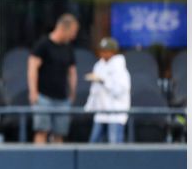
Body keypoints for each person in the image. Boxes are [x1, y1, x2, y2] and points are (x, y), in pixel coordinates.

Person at [28, 13, 79, 144]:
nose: (74, 36)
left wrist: (72, 93)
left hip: (62, 98)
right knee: (41, 131)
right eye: (73, 32)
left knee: (60, 133)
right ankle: (39, 161)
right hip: (43, 96)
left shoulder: (68, 48)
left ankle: (58, 162)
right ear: (63, 28)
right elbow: (32, 67)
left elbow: (72, 71)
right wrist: (33, 92)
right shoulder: (43, 45)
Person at [85, 36, 131, 143]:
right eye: (101, 51)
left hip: (115, 113)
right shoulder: (98, 65)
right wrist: (89, 107)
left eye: (106, 51)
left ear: (113, 52)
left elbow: (119, 91)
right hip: (100, 112)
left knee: (114, 146)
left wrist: (103, 81)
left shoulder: (120, 68)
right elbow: (94, 90)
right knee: (93, 144)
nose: (103, 54)